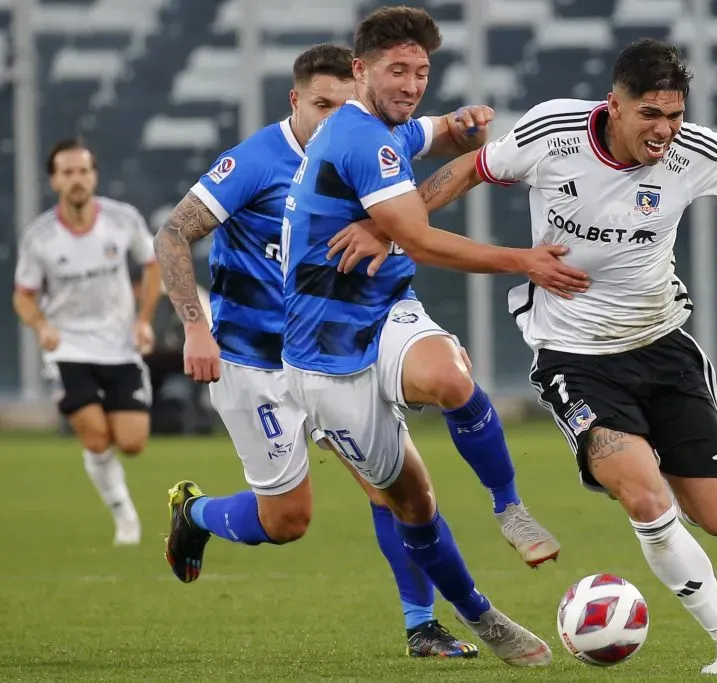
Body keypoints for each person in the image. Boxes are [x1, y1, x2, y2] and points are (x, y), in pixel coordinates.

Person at [353, 38, 717, 674]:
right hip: (575, 357)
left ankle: (640, 479)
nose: (664, 130)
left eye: (674, 115)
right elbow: (468, 170)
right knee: (647, 498)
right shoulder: (553, 131)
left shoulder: (694, 152)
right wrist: (390, 226)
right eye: (650, 114)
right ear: (614, 105)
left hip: (664, 347)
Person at [152, 42, 517, 658]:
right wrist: (194, 326)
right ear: (295, 100)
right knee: (286, 522)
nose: (333, 119)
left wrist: (464, 126)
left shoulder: (362, 139)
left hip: (333, 350)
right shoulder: (254, 162)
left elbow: (437, 137)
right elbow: (172, 233)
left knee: (395, 487)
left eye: (343, 106)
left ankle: (420, 625)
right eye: (321, 106)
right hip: (254, 360)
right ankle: (198, 514)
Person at [279, 6, 592, 666]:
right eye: (398, 70)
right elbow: (419, 236)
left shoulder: (383, 124)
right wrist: (525, 259)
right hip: (325, 354)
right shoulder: (359, 139)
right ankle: (477, 611)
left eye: (422, 71)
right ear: (360, 71)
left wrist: (460, 127)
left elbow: (435, 136)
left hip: (384, 307)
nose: (413, 83)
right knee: (413, 504)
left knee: (452, 376)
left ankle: (510, 506)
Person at [13, 138, 162, 546]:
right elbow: (22, 295)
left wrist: (144, 319)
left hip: (119, 344)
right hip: (69, 348)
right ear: (54, 180)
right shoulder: (39, 237)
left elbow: (153, 265)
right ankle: (125, 517)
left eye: (83, 171)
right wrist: (42, 325)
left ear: (94, 176)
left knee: (131, 443)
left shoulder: (122, 220)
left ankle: (115, 481)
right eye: (67, 172)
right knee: (96, 436)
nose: (77, 179)